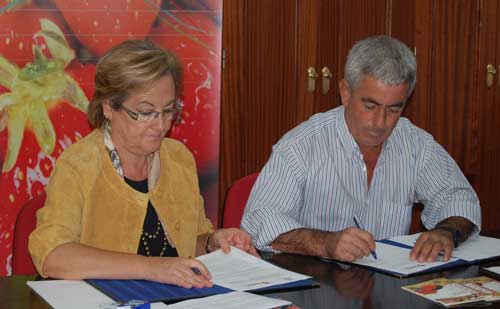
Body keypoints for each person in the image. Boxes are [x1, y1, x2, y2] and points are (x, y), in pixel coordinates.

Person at [29, 40, 257, 288]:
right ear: (108, 107)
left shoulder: (178, 158)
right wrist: (152, 267)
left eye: (168, 110)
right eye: (146, 112)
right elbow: (53, 255)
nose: (161, 125)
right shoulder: (79, 165)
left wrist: (213, 242)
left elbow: (189, 242)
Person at [241, 35, 481, 264]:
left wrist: (446, 231)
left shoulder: (415, 143)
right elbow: (259, 221)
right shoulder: (301, 145)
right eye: (370, 105)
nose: (380, 122)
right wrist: (325, 243)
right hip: (316, 287)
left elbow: (460, 198)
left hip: (388, 287)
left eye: (394, 109)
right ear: (345, 92)